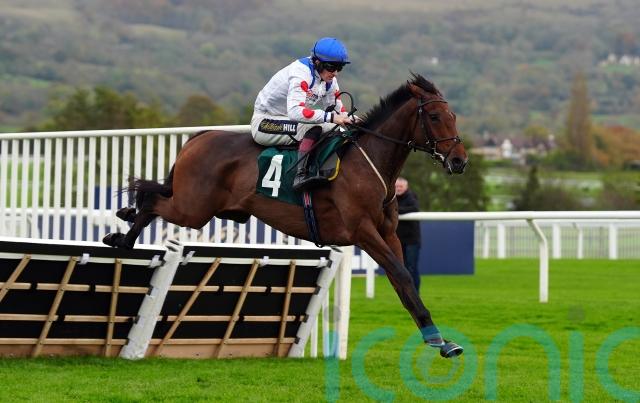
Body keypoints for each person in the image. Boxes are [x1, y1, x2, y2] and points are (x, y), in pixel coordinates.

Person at [251, 37, 355, 190]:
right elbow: (295, 112)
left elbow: (338, 111)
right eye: (332, 67)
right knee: (316, 126)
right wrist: (332, 117)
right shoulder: (301, 73)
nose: (335, 73)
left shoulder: (329, 79)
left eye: (340, 68)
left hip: (287, 120)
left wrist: (355, 120)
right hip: (265, 122)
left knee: (336, 129)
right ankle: (300, 175)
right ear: (317, 62)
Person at [395, 177, 421, 293]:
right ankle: (407, 294)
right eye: (396, 186)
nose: (398, 189)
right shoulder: (391, 197)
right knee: (402, 269)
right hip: (399, 240)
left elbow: (415, 208)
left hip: (412, 240)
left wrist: (396, 210)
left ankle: (415, 294)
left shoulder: (411, 196)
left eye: (400, 186)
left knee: (412, 268)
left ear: (406, 187)